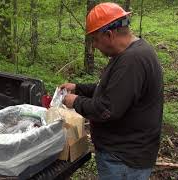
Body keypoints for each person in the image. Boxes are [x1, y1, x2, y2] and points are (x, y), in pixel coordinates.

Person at [60, 2, 163, 180]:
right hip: (126, 155)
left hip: (124, 160)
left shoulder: (132, 61)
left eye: (95, 40)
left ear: (109, 35)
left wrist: (75, 101)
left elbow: (106, 109)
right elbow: (110, 90)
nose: (95, 46)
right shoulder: (130, 52)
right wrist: (78, 88)